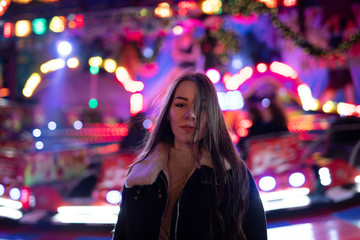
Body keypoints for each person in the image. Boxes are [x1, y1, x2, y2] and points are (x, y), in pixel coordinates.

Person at [112, 72, 267, 240]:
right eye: (180, 105)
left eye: (202, 107)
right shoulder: (140, 174)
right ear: (167, 113)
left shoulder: (233, 174)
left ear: (212, 117)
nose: (190, 114)